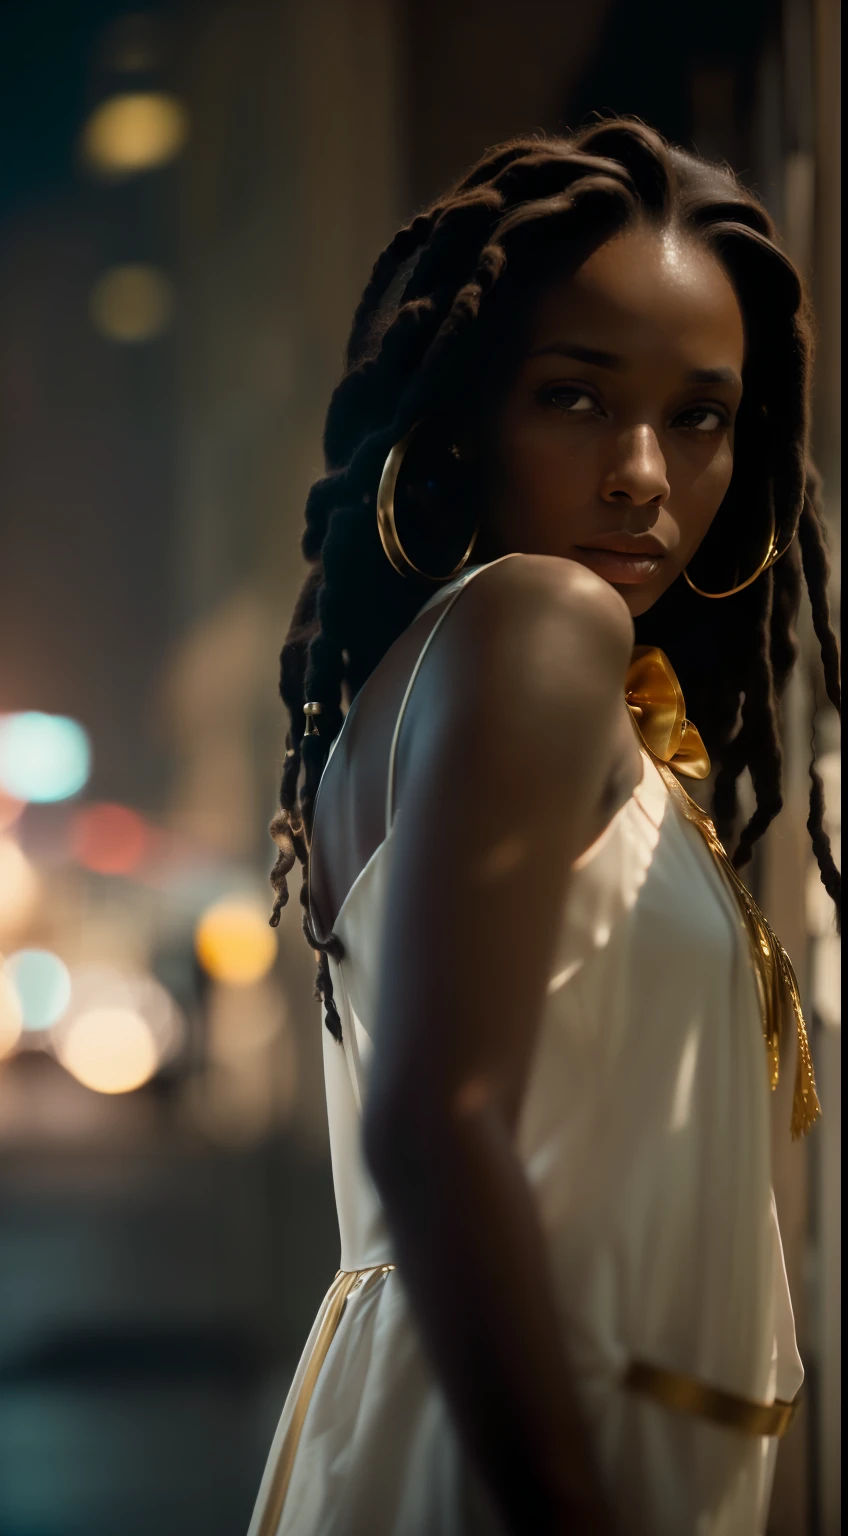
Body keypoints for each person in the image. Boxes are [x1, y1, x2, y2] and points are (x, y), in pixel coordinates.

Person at [249, 119, 841, 1536]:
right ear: (467, 413)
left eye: (698, 415)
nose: (644, 471)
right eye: (576, 399)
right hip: (519, 1468)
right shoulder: (538, 623)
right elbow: (437, 1131)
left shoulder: (447, 679)